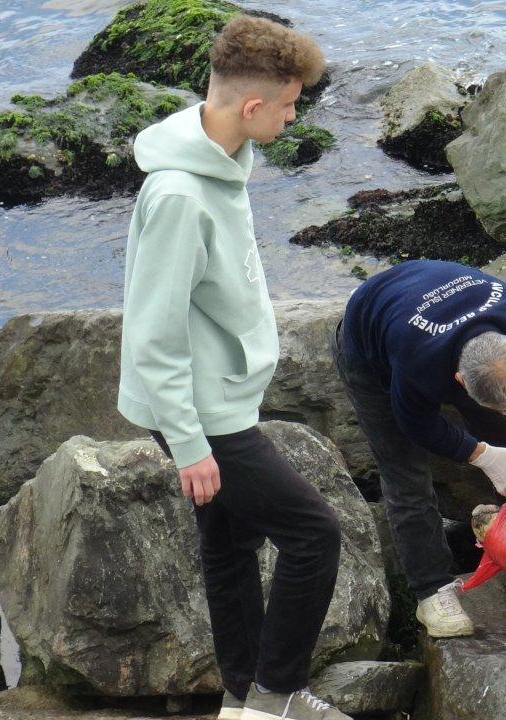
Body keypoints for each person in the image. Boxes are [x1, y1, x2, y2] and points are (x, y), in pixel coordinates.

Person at [117, 15, 351, 720]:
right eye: (288, 105)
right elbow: (151, 333)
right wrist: (189, 444)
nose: (292, 116)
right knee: (315, 534)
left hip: (221, 401)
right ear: (252, 106)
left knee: (231, 543)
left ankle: (242, 695)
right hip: (203, 413)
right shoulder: (181, 196)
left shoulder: (219, 166)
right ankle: (277, 698)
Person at [332, 259, 506, 638]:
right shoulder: (417, 357)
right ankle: (430, 591)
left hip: (436, 302)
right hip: (371, 338)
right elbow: (414, 424)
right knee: (406, 475)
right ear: (459, 382)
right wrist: (481, 454)